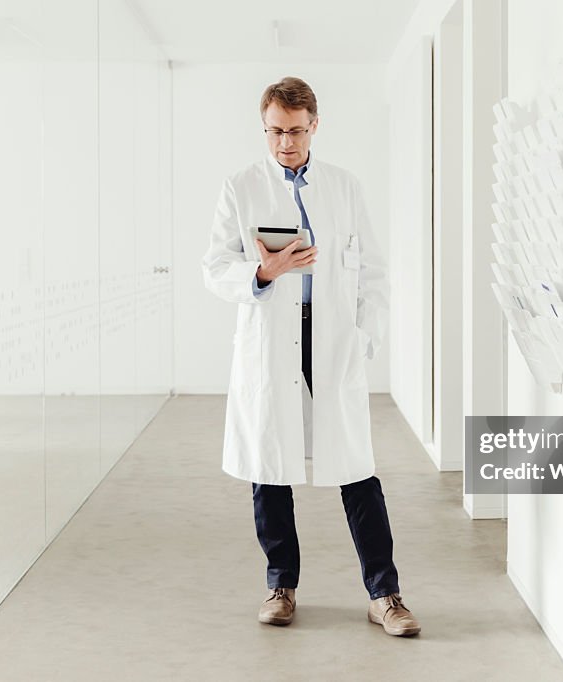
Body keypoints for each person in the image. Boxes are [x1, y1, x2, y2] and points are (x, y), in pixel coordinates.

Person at [202, 77, 420, 637]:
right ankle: (281, 585)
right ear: (264, 128)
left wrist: (363, 339)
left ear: (314, 126)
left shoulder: (344, 187)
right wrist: (261, 272)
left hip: (332, 344)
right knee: (269, 469)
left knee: (356, 470)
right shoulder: (240, 186)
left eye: (295, 131)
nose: (284, 144)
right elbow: (214, 267)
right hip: (271, 343)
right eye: (274, 132)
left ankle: (385, 594)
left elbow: (372, 270)